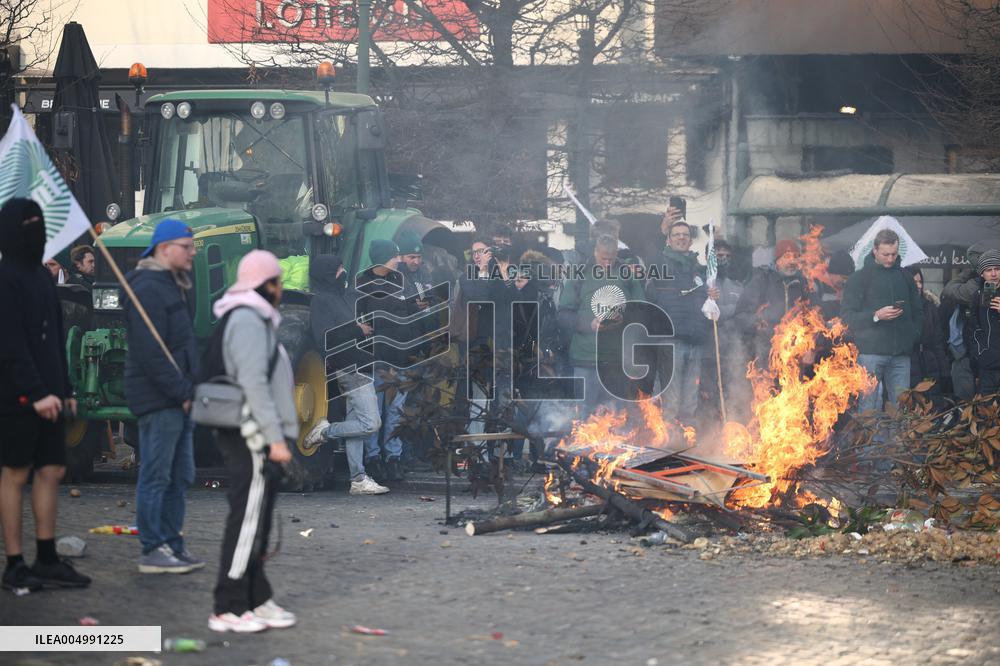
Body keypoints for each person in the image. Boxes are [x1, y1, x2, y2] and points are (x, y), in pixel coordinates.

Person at [0, 198, 90, 592]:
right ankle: (15, 562)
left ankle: (48, 556)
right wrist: (36, 392)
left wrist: (65, 389)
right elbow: (11, 342)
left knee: (51, 471)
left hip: (50, 395)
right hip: (18, 396)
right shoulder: (6, 278)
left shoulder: (39, 276)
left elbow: (54, 339)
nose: (36, 227)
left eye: (39, 221)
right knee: (16, 474)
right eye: (28, 222)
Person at [208, 250, 297, 633]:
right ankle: (228, 606)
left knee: (256, 521)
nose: (281, 290)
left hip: (255, 432)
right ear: (268, 285)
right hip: (252, 434)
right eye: (278, 282)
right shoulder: (247, 320)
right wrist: (275, 439)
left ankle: (256, 598)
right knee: (247, 520)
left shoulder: (251, 317)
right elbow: (253, 383)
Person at [124, 218, 202, 574]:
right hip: (161, 399)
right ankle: (153, 548)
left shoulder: (171, 283)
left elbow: (180, 344)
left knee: (180, 474)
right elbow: (150, 353)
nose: (192, 253)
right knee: (157, 475)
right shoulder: (148, 288)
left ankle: (172, 544)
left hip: (178, 397)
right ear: (165, 248)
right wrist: (181, 391)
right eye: (187, 247)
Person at [304, 254, 389, 495]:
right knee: (370, 424)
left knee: (356, 424)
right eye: (339, 269)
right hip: (349, 368)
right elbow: (325, 339)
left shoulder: (343, 296)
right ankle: (325, 431)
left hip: (361, 365)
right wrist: (356, 329)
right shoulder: (322, 301)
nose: (344, 272)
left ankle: (358, 479)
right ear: (328, 274)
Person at [559, 234, 645, 413]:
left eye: (611, 259)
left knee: (617, 416)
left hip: (618, 359)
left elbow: (641, 309)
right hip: (586, 357)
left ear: (617, 254)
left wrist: (625, 318)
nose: (607, 262)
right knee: (584, 415)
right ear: (595, 251)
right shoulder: (580, 274)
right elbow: (564, 314)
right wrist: (588, 324)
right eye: (603, 258)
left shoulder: (626, 274)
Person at [840, 229, 924, 411]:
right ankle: (869, 441)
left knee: (901, 408)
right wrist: (876, 316)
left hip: (901, 354)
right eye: (886, 254)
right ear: (875, 251)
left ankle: (897, 441)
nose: (890, 258)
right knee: (869, 407)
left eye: (894, 254)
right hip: (870, 354)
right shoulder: (859, 278)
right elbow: (847, 317)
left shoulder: (906, 277)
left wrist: (914, 335)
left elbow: (919, 311)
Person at [648, 221, 719, 422]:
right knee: (670, 401)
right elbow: (651, 256)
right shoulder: (661, 264)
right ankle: (667, 444)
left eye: (685, 235)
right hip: (671, 341)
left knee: (689, 401)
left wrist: (711, 295)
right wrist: (660, 231)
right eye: (676, 234)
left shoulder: (700, 269)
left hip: (696, 339)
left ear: (690, 239)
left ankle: (684, 441)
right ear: (668, 240)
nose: (681, 238)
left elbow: (705, 299)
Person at [356, 240, 411, 482]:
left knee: (397, 411)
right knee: (375, 411)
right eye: (394, 257)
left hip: (401, 357)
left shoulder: (401, 280)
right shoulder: (362, 283)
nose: (398, 260)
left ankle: (393, 458)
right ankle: (373, 458)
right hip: (375, 358)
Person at [734, 240, 816, 371]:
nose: (792, 261)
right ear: (777, 260)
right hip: (764, 354)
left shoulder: (804, 284)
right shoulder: (762, 281)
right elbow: (740, 315)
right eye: (787, 256)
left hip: (794, 356)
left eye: (795, 256)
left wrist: (811, 347)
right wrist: (757, 322)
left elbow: (813, 320)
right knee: (766, 390)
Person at [942, 244, 992, 399]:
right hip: (977, 353)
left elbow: (949, 289)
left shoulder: (974, 286)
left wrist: (968, 272)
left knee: (968, 403)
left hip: (971, 352)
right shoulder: (975, 286)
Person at [905, 267, 950, 396]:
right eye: (914, 283)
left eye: (920, 282)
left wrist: (944, 370)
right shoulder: (900, 309)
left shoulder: (930, 307)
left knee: (932, 402)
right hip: (909, 361)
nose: (918, 286)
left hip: (929, 361)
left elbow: (938, 341)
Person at [965, 250, 1000, 394]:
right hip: (987, 365)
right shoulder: (977, 296)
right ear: (981, 274)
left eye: (997, 268)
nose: (993, 274)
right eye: (988, 270)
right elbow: (972, 330)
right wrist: (979, 356)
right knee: (986, 411)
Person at [818, 250, 854, 321]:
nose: (845, 281)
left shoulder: (847, 286)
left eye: (848, 279)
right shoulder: (814, 285)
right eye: (843, 278)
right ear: (832, 273)